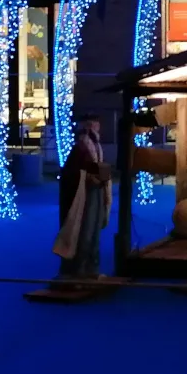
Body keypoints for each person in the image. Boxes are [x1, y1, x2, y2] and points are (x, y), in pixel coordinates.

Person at [52, 114, 112, 280]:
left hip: (96, 190)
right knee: (83, 230)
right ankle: (77, 271)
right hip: (84, 194)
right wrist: (86, 176)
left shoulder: (96, 145)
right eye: (93, 123)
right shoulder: (80, 147)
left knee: (93, 230)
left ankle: (90, 268)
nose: (96, 126)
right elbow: (71, 172)